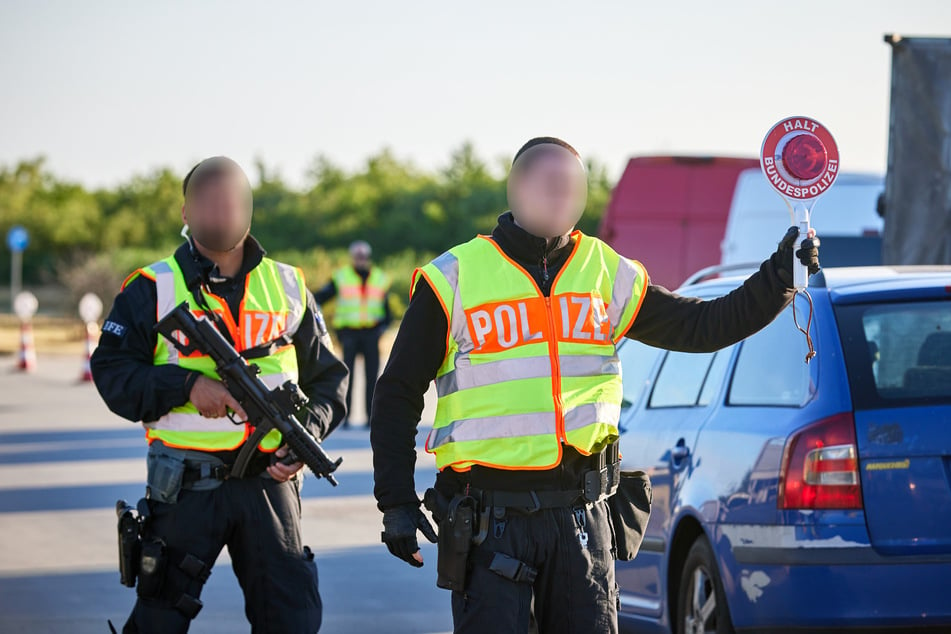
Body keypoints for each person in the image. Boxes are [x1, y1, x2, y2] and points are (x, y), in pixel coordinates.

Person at [370, 137, 821, 633]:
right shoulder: (453, 278)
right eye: (549, 185)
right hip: (489, 522)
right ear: (516, 190)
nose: (563, 197)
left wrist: (780, 275)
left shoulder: (604, 271)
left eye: (573, 187)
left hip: (581, 521)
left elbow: (703, 325)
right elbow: (397, 395)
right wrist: (396, 501)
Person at [91, 156, 348, 634]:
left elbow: (330, 381)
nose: (221, 212)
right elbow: (111, 373)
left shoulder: (289, 285)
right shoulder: (151, 287)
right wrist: (187, 386)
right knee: (158, 621)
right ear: (185, 213)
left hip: (270, 486)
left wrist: (304, 434)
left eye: (232, 202)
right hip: (187, 485)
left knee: (292, 621)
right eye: (207, 202)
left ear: (249, 211)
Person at [314, 240, 391, 428]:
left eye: (363, 256)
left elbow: (387, 312)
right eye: (357, 256)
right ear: (352, 258)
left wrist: (382, 329)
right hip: (348, 334)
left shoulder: (380, 278)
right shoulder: (341, 277)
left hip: (371, 334)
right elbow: (317, 299)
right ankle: (345, 417)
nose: (361, 260)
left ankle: (371, 417)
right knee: (346, 377)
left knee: (372, 378)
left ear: (368, 257)